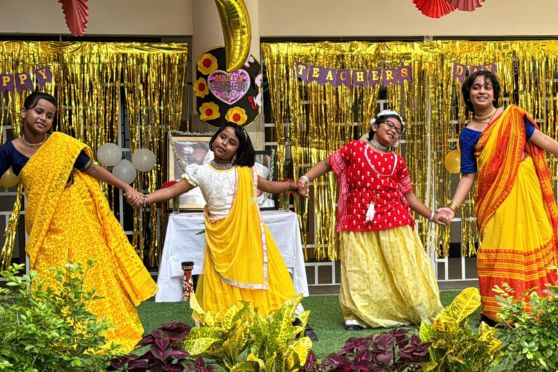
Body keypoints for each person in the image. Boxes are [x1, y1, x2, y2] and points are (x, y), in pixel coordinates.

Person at [0, 92, 158, 352]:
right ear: (24, 112)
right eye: (39, 111)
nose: (43, 118)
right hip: (44, 224)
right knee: (50, 274)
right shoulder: (8, 150)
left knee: (89, 269)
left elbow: (92, 169)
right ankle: (54, 334)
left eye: (49, 115)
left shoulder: (62, 144)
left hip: (76, 213)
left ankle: (99, 329)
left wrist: (125, 188)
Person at [131, 123, 303, 319]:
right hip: (219, 237)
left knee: (254, 273)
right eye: (223, 136)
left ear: (238, 150)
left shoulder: (245, 171)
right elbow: (171, 191)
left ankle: (276, 316)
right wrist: (146, 198)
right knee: (222, 279)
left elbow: (269, 186)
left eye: (232, 142)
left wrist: (293, 186)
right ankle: (229, 319)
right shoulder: (200, 172)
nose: (224, 143)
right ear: (214, 139)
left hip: (245, 234)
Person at [298, 110, 443, 330]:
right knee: (360, 269)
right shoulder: (354, 149)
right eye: (390, 126)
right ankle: (357, 315)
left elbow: (408, 195)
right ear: (375, 127)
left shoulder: (397, 161)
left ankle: (411, 308)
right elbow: (328, 163)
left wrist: (432, 215)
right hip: (358, 219)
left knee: (402, 267)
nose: (394, 131)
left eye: (399, 131)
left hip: (394, 219)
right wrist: (305, 178)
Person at [436, 70, 558, 323]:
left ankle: (539, 308)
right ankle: (497, 312)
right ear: (468, 95)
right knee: (495, 245)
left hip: (525, 191)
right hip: (493, 200)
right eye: (476, 87)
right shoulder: (468, 134)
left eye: (487, 87)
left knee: (532, 237)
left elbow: (546, 142)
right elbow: (468, 175)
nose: (482, 91)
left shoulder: (513, 117)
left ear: (494, 93)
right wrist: (452, 207)